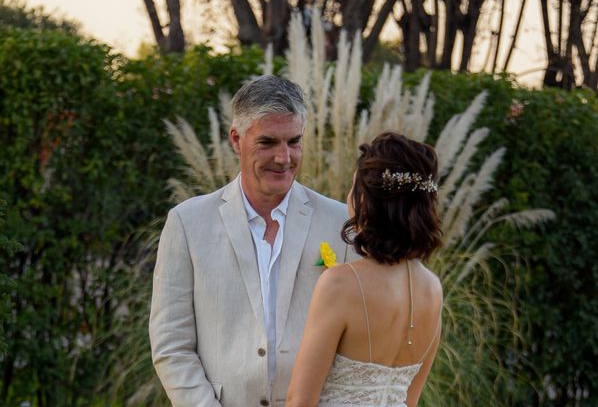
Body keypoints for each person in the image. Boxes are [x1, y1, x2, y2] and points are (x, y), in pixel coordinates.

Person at [149, 75, 352, 407]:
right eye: (268, 142)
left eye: (294, 141)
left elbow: (355, 344)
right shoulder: (187, 223)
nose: (284, 158)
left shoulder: (341, 224)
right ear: (235, 139)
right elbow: (171, 345)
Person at [286, 132, 444, 407]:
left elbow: (300, 401)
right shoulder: (432, 288)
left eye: (353, 187)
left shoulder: (340, 284)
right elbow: (410, 401)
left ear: (365, 201)